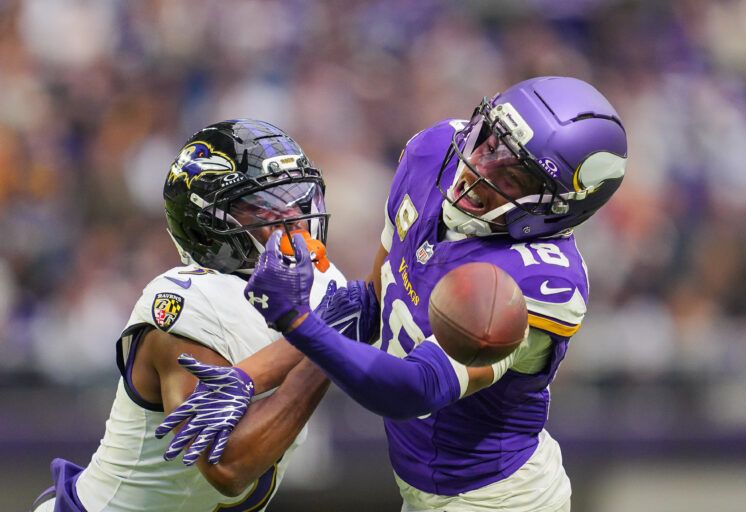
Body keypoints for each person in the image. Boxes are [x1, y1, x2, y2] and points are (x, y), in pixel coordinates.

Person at [166, 76, 628, 511]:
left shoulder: (541, 281)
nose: (479, 168)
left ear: (557, 206)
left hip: (499, 498)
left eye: (512, 177)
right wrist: (250, 376)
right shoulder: (435, 152)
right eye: (490, 141)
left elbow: (415, 390)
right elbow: (373, 300)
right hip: (422, 487)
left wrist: (297, 319)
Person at [31, 119, 351, 512]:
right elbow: (227, 465)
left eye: (300, 202)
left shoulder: (321, 282)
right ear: (207, 227)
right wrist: (326, 345)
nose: (296, 223)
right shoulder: (188, 301)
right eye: (266, 209)